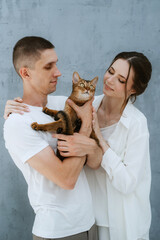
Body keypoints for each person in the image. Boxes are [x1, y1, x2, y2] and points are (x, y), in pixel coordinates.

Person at [4, 51, 152, 240]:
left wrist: (96, 140)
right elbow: (37, 106)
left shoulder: (136, 124)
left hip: (121, 220)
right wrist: (12, 107)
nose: (110, 80)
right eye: (110, 71)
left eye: (121, 80)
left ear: (133, 90)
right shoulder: (84, 104)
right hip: (89, 221)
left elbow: (127, 183)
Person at [3, 36, 102, 240]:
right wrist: (84, 129)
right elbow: (66, 179)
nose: (58, 72)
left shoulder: (62, 104)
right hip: (58, 232)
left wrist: (91, 146)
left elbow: (96, 160)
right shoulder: (17, 123)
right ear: (25, 73)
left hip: (90, 224)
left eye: (56, 64)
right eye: (49, 66)